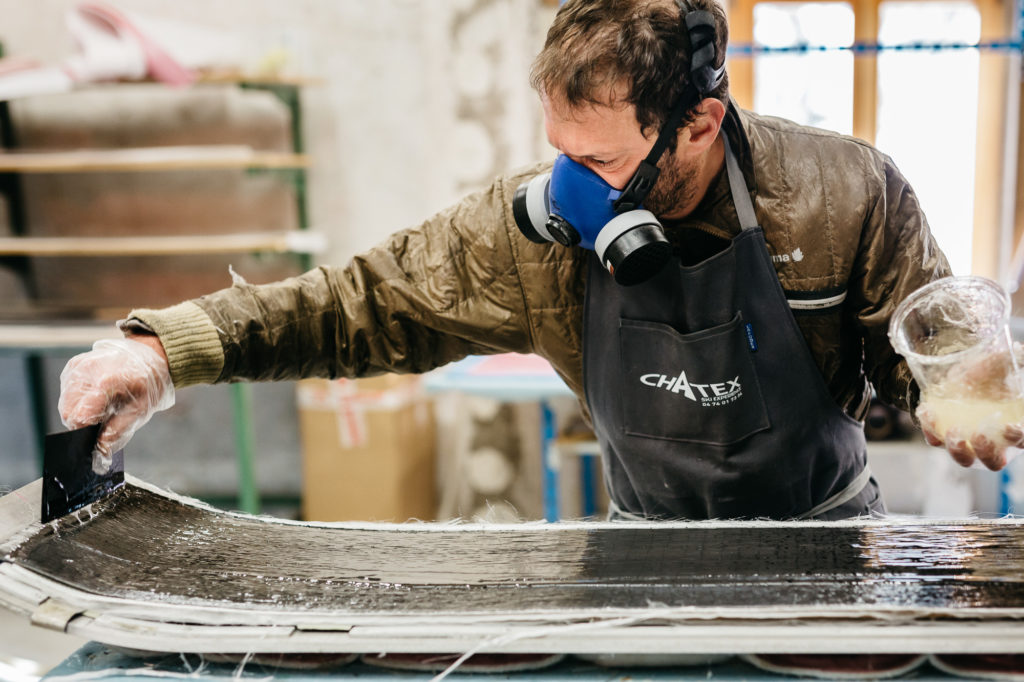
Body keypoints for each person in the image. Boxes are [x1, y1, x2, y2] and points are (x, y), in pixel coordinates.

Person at [58, 0, 1000, 521]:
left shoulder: (846, 193)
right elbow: (354, 306)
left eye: (599, 165)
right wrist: (163, 349)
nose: (569, 190)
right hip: (641, 558)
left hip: (826, 545)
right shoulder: (535, 234)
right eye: (559, 152)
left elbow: (936, 350)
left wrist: (965, 391)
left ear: (701, 123)